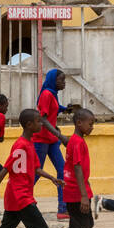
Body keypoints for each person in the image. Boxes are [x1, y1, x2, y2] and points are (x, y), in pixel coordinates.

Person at [52, 108, 108, 228]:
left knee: (85, 225)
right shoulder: (77, 142)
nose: (92, 128)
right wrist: (84, 195)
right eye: (90, 124)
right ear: (79, 123)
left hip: (79, 189)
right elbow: (76, 167)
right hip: (76, 193)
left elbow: (78, 167)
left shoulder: (76, 141)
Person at [33, 69, 73, 220]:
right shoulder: (47, 94)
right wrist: (60, 135)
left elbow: (54, 110)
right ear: (53, 80)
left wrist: (65, 109)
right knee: (36, 172)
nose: (64, 83)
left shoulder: (52, 95)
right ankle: (21, 200)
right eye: (61, 80)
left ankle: (63, 209)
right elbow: (43, 119)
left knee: (63, 171)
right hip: (41, 139)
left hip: (51, 140)